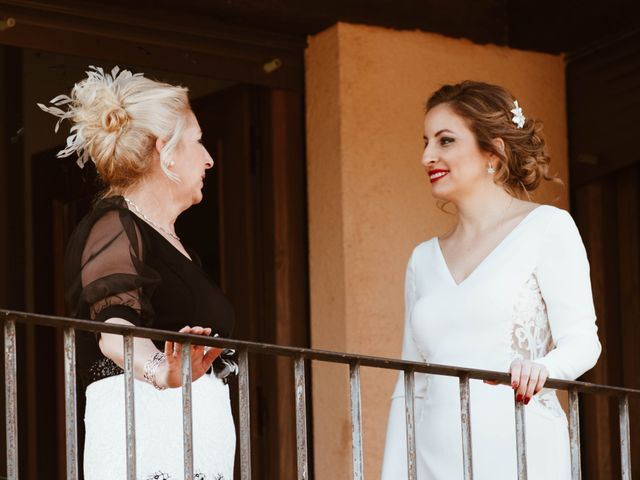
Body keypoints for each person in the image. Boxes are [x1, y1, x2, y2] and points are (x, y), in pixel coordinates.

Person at [381, 80, 601, 479]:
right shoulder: (422, 260)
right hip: (434, 459)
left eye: (445, 141)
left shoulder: (548, 228)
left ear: (494, 152)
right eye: (426, 142)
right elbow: (409, 387)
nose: (427, 156)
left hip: (519, 448)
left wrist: (545, 369)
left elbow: (584, 340)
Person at [39, 66, 237, 479]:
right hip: (150, 443)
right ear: (165, 151)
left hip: (197, 447)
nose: (209, 158)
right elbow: (115, 328)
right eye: (198, 142)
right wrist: (159, 372)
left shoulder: (175, 244)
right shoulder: (114, 225)